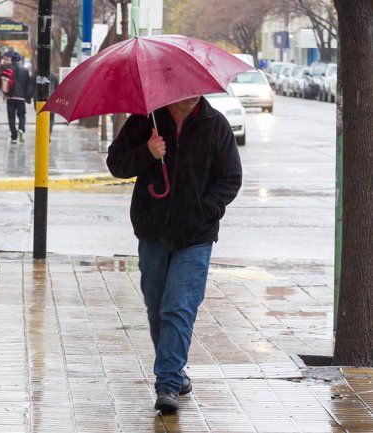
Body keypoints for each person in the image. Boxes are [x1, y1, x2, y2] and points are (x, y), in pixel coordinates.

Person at [106, 96, 242, 414]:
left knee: (178, 307)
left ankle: (166, 382)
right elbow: (116, 164)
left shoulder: (215, 124)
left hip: (195, 236)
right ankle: (175, 370)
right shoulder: (145, 119)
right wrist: (148, 153)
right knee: (157, 308)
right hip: (153, 232)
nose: (190, 92)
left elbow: (231, 179)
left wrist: (205, 210)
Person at [5, 52, 34, 144]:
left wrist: (5, 93)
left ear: (12, 60)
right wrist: (28, 97)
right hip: (21, 98)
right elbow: (29, 85)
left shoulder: (7, 69)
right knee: (21, 115)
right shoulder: (25, 70)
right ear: (20, 60)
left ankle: (14, 137)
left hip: (10, 97)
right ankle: (21, 129)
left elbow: (3, 82)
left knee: (11, 117)